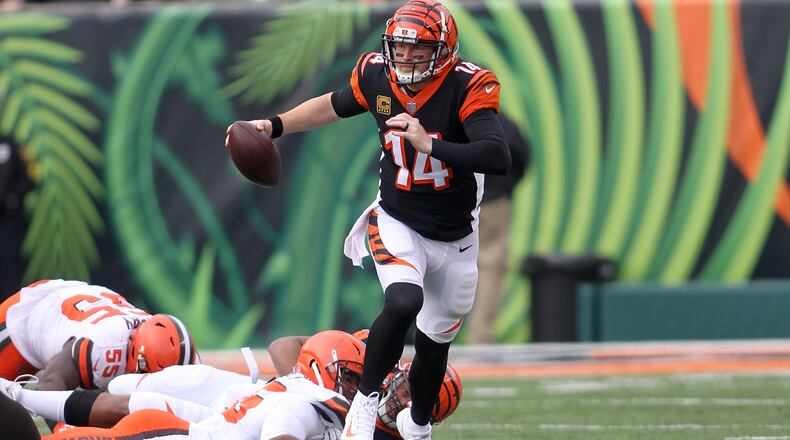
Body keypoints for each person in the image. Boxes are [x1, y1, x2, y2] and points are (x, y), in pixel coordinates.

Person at [233, 1, 508, 438]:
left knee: (434, 350)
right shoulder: (377, 76)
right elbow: (335, 104)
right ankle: (364, 403)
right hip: (397, 218)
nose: (406, 58)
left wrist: (430, 145)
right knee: (403, 301)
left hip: (456, 238)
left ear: (443, 51)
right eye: (400, 48)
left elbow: (497, 154)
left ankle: (417, 426)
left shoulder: (467, 85)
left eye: (419, 50)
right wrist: (274, 124)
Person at [36, 330, 368, 440]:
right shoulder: (305, 395)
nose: (357, 388)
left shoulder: (308, 393)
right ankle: (21, 397)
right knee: (122, 401)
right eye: (354, 377)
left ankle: (22, 399)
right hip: (192, 407)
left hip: (200, 418)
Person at [0, 279, 198, 392]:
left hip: (88, 305)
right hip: (30, 317)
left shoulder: (189, 361)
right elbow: (50, 387)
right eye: (148, 374)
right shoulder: (104, 346)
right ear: (133, 353)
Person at [466, 115, 528, 344]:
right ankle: (480, 337)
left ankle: (430, 337)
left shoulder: (449, 114)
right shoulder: (504, 124)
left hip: (455, 200)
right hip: (493, 201)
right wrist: (504, 188)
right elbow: (521, 160)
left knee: (440, 264)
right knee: (490, 266)